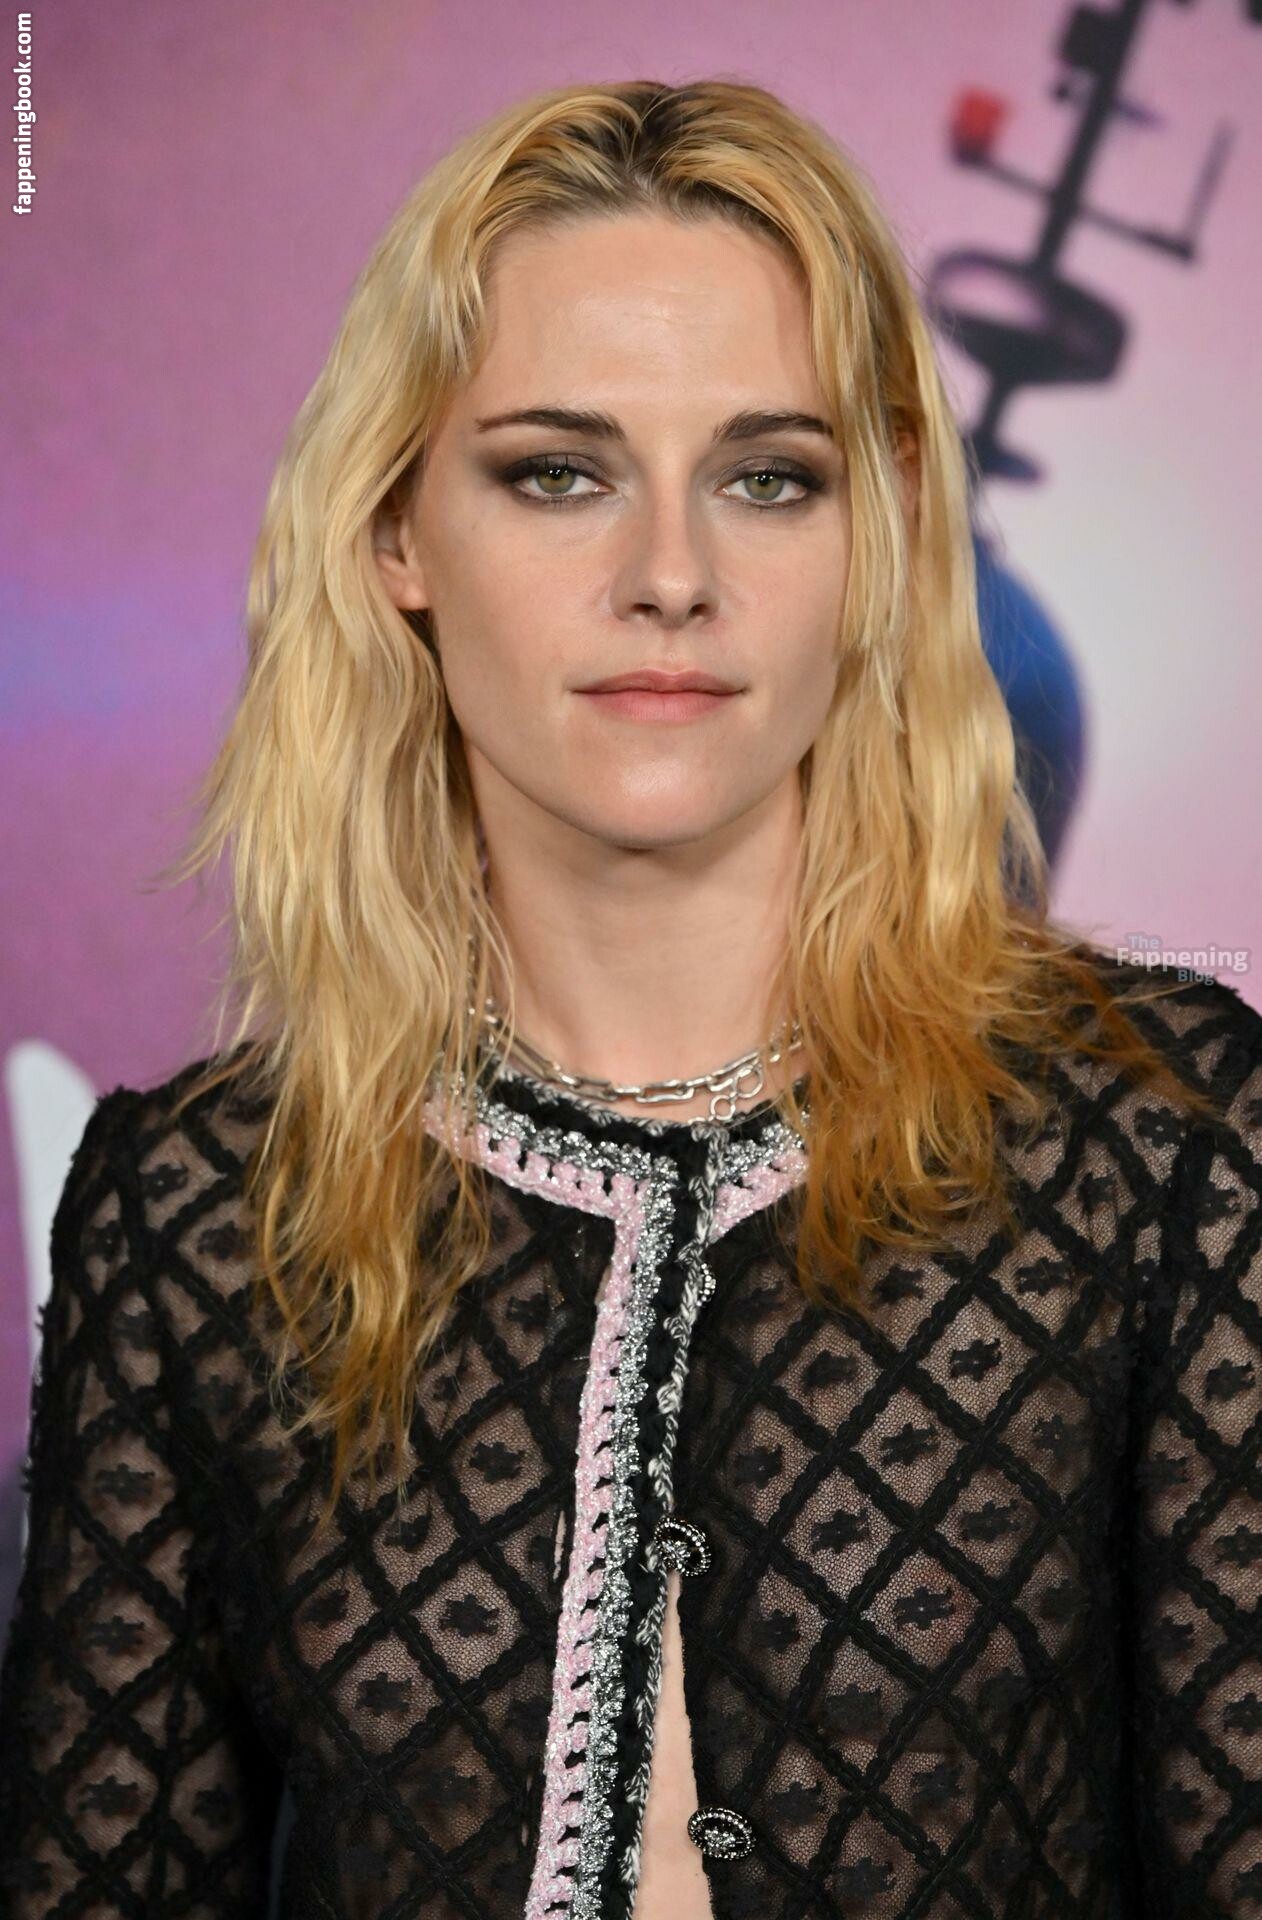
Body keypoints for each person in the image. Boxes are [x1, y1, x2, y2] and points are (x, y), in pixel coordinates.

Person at [1, 77, 1259, 1920]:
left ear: (881, 535)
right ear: (396, 532)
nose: (669, 577)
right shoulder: (198, 1214)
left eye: (768, 478)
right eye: (555, 473)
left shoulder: (1162, 1140)